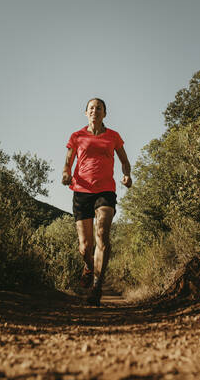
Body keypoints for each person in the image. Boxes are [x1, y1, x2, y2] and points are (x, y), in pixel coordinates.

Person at [62, 98, 132, 306]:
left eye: (99, 108)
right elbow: (68, 162)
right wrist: (66, 174)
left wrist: (127, 176)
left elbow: (125, 162)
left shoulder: (113, 137)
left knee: (102, 233)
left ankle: (96, 287)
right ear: (86, 113)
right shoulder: (77, 136)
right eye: (91, 108)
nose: (95, 111)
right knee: (85, 247)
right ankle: (89, 267)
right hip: (82, 190)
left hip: (105, 190)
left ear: (104, 113)